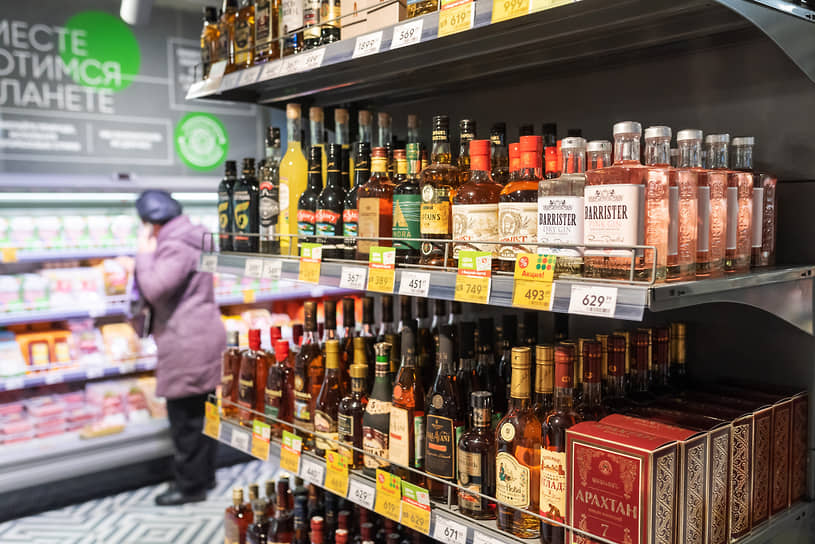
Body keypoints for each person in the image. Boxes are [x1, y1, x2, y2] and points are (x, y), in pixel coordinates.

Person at [134, 190, 226, 506]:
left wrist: (143, 254)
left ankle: (190, 487)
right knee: (204, 413)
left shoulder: (175, 245)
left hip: (187, 340)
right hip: (203, 333)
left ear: (151, 223)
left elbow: (156, 288)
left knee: (186, 419)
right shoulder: (194, 235)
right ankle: (205, 476)